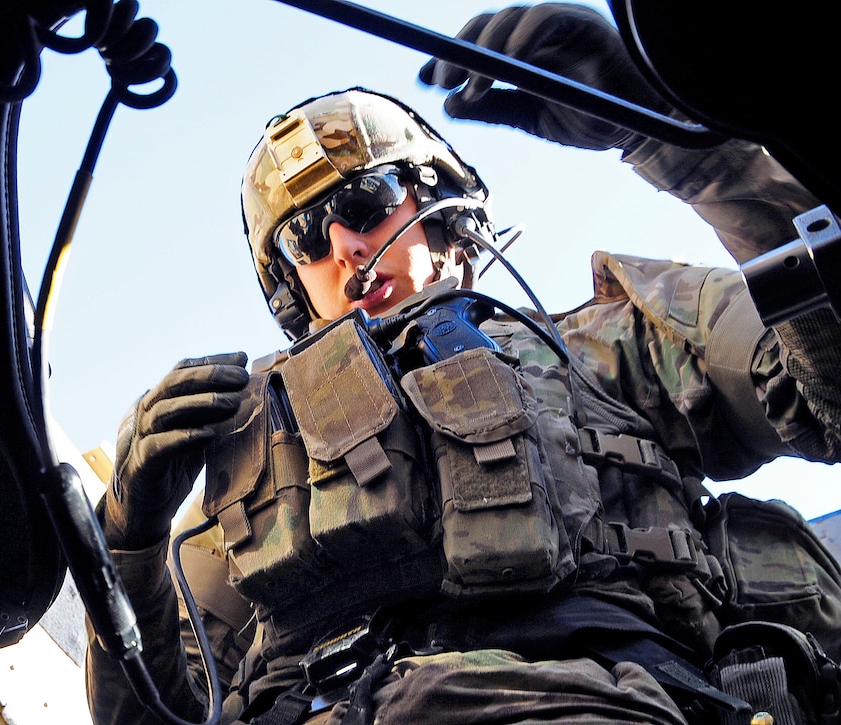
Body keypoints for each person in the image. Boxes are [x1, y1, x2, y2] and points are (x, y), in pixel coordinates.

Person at [85, 5, 841, 724]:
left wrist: (680, 142)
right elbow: (150, 711)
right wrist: (127, 538)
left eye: (367, 198)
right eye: (305, 238)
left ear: (438, 204)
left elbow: (826, 398)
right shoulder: (250, 455)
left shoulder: (620, 339)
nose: (343, 245)